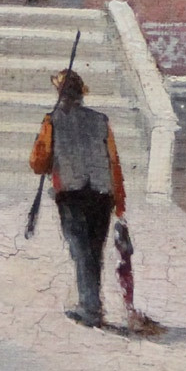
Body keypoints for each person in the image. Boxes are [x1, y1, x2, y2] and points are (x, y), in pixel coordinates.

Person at [30, 68, 126, 328]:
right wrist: (120, 201)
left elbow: (38, 163)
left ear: (59, 95)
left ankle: (90, 307)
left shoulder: (52, 121)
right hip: (101, 194)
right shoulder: (101, 120)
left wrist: (51, 158)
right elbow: (113, 163)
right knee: (93, 251)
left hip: (71, 194)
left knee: (80, 250)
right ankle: (91, 304)